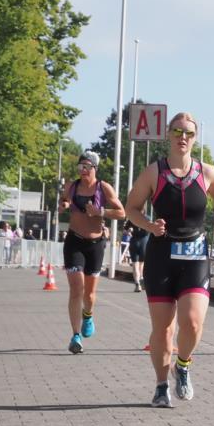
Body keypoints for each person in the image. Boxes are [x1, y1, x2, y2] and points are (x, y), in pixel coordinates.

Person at [124, 112, 214, 408]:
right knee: (163, 328)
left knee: (193, 323)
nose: (182, 137)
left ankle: (182, 365)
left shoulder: (207, 173)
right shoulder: (153, 173)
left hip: (195, 254)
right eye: (177, 132)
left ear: (195, 139)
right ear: (168, 135)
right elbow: (131, 207)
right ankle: (160, 385)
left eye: (189, 133)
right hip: (161, 255)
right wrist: (148, 226)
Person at [59, 150, 125, 354]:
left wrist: (101, 212)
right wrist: (64, 205)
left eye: (87, 167)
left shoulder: (103, 188)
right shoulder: (72, 186)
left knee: (89, 293)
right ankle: (75, 335)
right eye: (81, 167)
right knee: (76, 288)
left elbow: (122, 213)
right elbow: (64, 199)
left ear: (95, 169)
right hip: (74, 241)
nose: (83, 170)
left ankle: (88, 314)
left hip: (95, 244)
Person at [128, 218, 150, 292]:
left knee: (135, 264)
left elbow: (126, 230)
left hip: (134, 241)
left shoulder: (131, 218)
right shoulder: (147, 218)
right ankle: (140, 281)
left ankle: (137, 283)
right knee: (141, 264)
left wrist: (130, 231)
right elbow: (150, 229)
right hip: (143, 241)